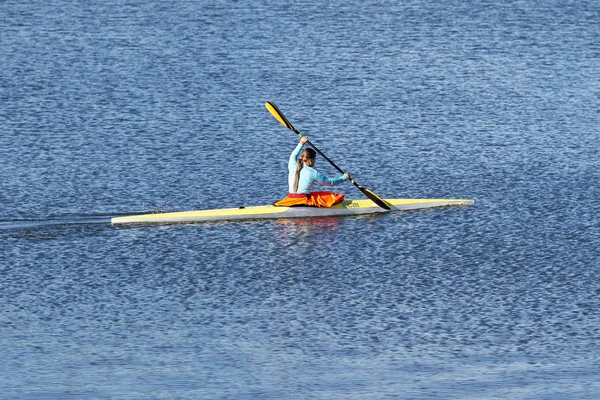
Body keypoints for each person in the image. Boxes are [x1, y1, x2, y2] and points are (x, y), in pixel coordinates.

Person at [274, 136, 351, 207]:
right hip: (303, 200)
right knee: (331, 196)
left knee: (317, 194)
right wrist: (344, 178)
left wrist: (301, 143)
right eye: (315, 159)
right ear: (310, 160)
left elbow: (293, 155)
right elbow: (330, 182)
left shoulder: (292, 165)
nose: (315, 161)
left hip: (290, 198)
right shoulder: (313, 172)